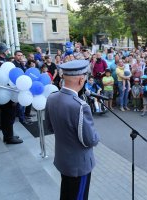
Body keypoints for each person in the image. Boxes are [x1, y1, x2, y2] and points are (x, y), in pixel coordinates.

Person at [45, 60, 99, 200]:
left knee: (67, 194)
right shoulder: (80, 106)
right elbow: (90, 140)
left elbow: (50, 128)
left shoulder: (51, 98)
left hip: (64, 160)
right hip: (78, 165)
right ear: (81, 80)